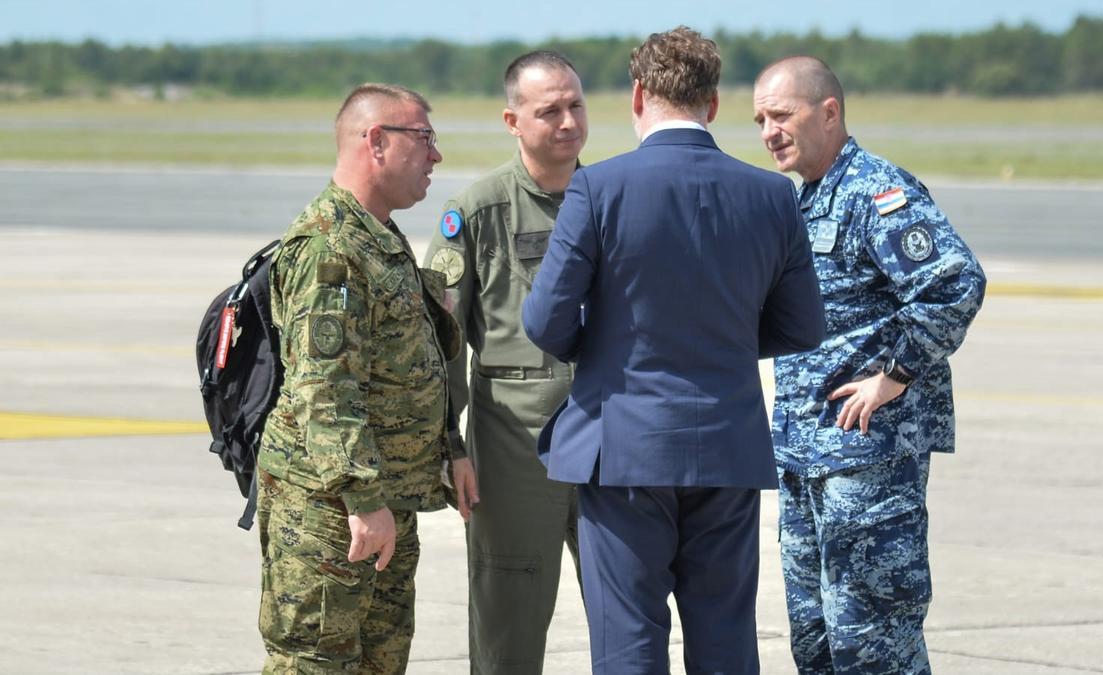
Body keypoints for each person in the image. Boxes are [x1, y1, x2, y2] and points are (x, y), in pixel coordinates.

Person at [522, 28, 825, 674]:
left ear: (638, 95)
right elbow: (803, 325)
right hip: (728, 443)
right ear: (713, 103)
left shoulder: (598, 188)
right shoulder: (772, 195)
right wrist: (731, 338)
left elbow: (544, 321)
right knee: (725, 643)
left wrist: (604, 346)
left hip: (625, 445)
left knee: (629, 640)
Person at [752, 56, 987, 673]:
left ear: (828, 112)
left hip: (869, 460)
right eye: (759, 120)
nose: (769, 132)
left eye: (781, 115)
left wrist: (895, 375)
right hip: (807, 456)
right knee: (817, 642)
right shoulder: (804, 202)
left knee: (873, 641)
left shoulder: (876, 192)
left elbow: (954, 284)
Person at [254, 83, 479, 675]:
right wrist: (362, 498)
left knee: (380, 665)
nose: (436, 155)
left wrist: (448, 450)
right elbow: (324, 389)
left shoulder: (378, 239)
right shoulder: (331, 248)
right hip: (333, 513)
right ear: (376, 142)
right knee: (315, 665)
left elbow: (410, 365)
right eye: (424, 138)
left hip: (385, 502)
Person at [422, 50, 587, 675]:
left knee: (630, 614)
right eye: (549, 111)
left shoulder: (614, 201)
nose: (568, 122)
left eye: (575, 105)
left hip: (609, 435)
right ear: (513, 120)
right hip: (515, 444)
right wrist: (452, 448)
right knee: (508, 620)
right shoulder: (477, 212)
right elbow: (439, 344)